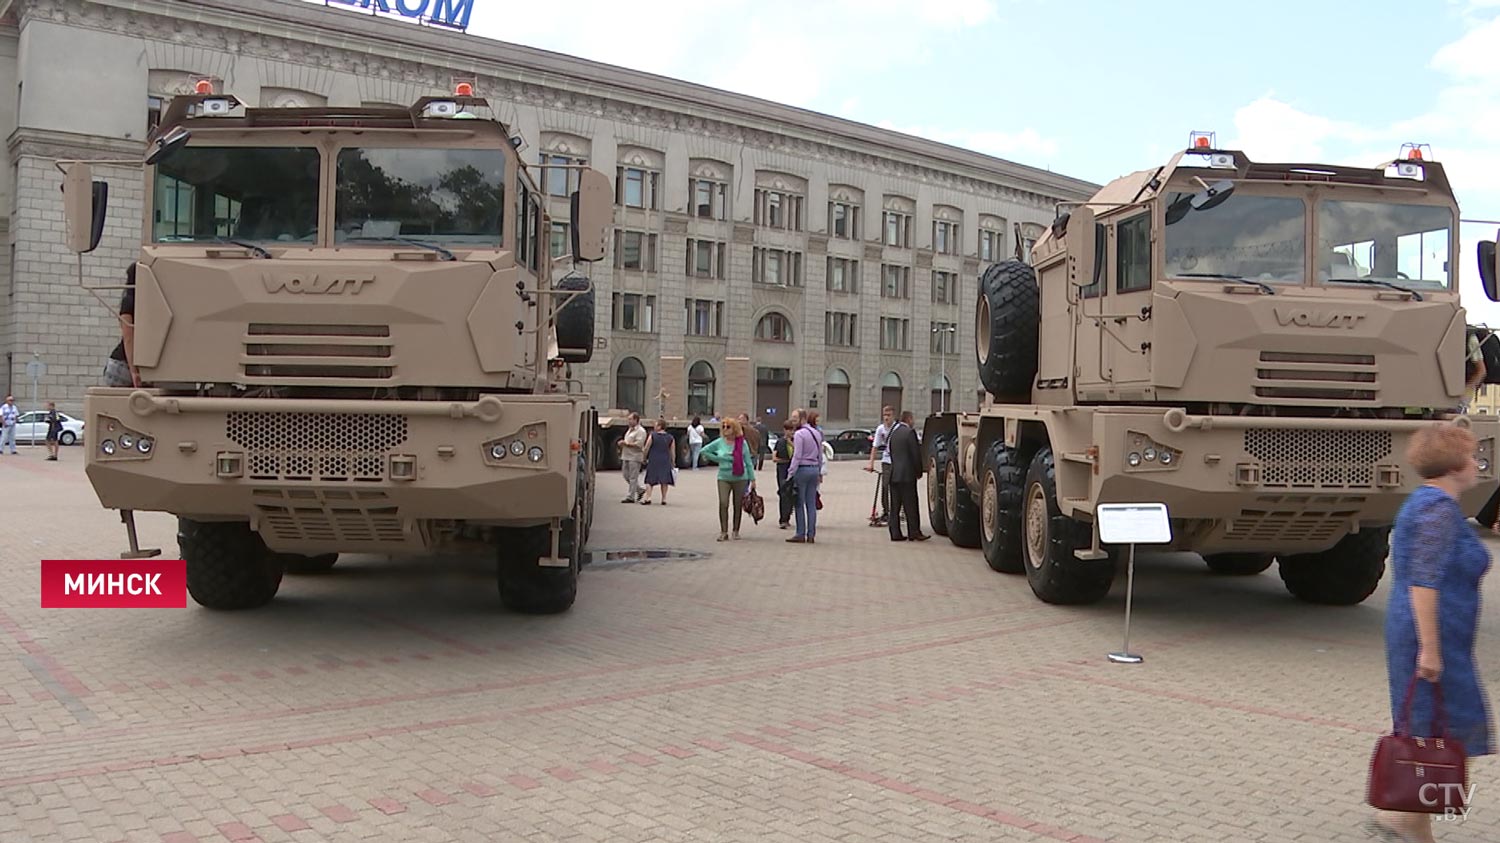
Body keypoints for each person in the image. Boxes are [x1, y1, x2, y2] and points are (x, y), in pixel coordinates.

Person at [1368, 421, 1493, 843]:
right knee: (1440, 728)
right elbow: (1423, 583)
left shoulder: (1435, 504)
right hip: (1429, 635)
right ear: (1456, 463)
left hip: (1443, 636)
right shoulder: (1436, 510)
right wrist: (1431, 650)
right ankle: (1411, 825)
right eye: (1472, 456)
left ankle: (1399, 815)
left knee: (1440, 725)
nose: (1477, 463)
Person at [699, 417, 756, 541]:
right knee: (723, 503)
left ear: (734, 429)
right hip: (723, 477)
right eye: (723, 426)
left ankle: (736, 530)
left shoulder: (742, 443)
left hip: (740, 477)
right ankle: (723, 531)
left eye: (728, 427)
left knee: (737, 504)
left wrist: (753, 479)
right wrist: (720, 459)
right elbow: (704, 451)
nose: (725, 429)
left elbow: (748, 462)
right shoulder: (720, 442)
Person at [885, 410, 929, 542]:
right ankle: (914, 532)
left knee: (895, 506)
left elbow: (891, 452)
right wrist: (919, 471)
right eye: (913, 419)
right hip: (907, 475)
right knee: (911, 505)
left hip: (894, 474)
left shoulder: (893, 433)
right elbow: (915, 454)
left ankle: (895, 533)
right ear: (909, 419)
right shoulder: (910, 433)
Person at [787, 411, 824, 544]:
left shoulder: (799, 434)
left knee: (799, 502)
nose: (793, 420)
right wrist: (819, 471)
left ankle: (800, 533)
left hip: (802, 469)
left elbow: (797, 455)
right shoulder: (816, 433)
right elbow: (820, 454)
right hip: (814, 469)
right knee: (811, 504)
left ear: (802, 418)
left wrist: (791, 472)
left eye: (795, 418)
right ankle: (811, 534)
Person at [105, 263, 140, 388]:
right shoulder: (129, 302)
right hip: (122, 365)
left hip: (122, 363)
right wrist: (134, 370)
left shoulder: (132, 300)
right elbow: (128, 337)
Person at [865, 406, 895, 527]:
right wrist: (871, 463)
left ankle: (896, 511)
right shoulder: (880, 429)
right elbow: (875, 447)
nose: (886, 417)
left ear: (893, 416)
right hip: (886, 461)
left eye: (889, 415)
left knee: (896, 487)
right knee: (885, 486)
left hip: (897, 461)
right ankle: (886, 511)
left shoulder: (897, 428)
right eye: (884, 415)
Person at [640, 419, 676, 505]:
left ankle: (648, 497)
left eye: (656, 425)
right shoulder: (670, 438)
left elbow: (646, 448)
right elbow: (672, 451)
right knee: (664, 480)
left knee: (650, 479)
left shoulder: (653, 436)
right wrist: (673, 461)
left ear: (660, 426)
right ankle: (664, 499)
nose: (654, 427)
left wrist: (644, 457)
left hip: (654, 459)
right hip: (665, 460)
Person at [772, 417, 798, 529]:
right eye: (788, 430)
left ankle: (787, 517)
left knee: (792, 494)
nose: (791, 432)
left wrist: (792, 444)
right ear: (784, 430)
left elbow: (799, 453)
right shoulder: (780, 442)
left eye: (792, 430)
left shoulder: (796, 441)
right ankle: (783, 519)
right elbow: (774, 458)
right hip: (782, 470)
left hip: (793, 470)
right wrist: (785, 461)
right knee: (783, 493)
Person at [619, 413, 647, 503]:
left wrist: (626, 444)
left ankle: (630, 497)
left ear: (636, 420)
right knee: (625, 475)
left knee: (633, 477)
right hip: (626, 455)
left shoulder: (640, 431)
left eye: (630, 419)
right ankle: (640, 490)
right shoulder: (629, 430)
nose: (629, 421)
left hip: (635, 457)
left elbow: (639, 444)